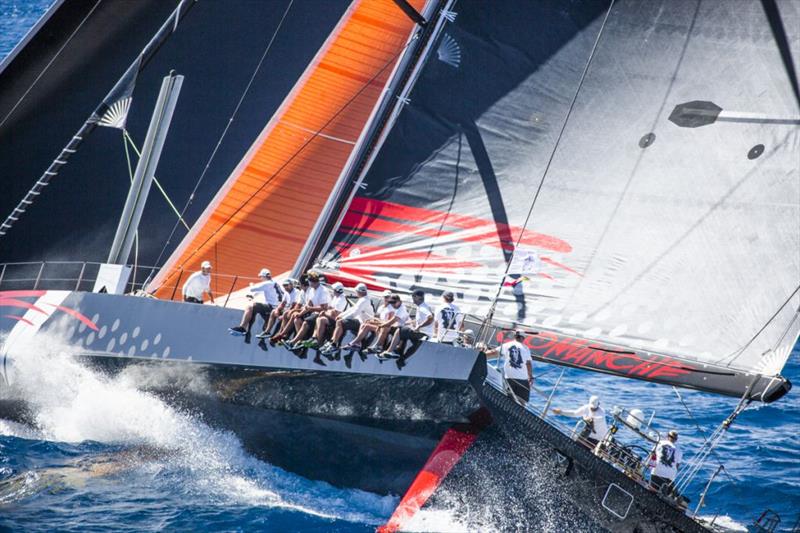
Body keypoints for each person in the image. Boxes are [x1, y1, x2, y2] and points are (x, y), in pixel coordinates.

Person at [320, 283, 373, 361]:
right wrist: (341, 315)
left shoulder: (364, 300)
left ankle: (334, 344)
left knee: (340, 323)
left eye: (357, 291)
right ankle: (332, 342)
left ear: (360, 292)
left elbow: (355, 313)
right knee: (339, 322)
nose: (356, 293)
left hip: (363, 322)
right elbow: (351, 309)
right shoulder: (362, 299)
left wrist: (342, 318)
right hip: (359, 321)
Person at [380, 290, 434, 359]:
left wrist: (419, 326)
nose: (412, 298)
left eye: (413, 296)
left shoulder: (422, 308)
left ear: (417, 297)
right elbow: (422, 319)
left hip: (423, 333)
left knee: (400, 330)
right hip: (425, 333)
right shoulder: (423, 306)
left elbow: (430, 318)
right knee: (405, 329)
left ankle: (389, 351)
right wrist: (409, 323)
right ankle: (398, 350)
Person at [483, 329, 533, 403]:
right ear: (523, 338)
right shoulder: (526, 348)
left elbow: (493, 352)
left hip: (509, 378)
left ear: (515, 336)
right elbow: (528, 363)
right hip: (522, 379)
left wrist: (480, 355)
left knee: (509, 401)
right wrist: (530, 377)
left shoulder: (507, 345)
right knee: (522, 402)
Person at [229, 268, 282, 336]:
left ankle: (242, 328)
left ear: (264, 276)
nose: (260, 278)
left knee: (250, 307)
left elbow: (252, 289)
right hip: (277, 306)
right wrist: (252, 296)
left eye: (260, 277)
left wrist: (251, 284)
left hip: (272, 307)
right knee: (256, 306)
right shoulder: (274, 283)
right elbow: (260, 291)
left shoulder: (267, 283)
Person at [284, 272, 330, 349]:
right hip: (313, 312)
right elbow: (309, 305)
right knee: (297, 319)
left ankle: (293, 342)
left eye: (309, 281)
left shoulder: (323, 291)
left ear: (311, 282)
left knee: (305, 323)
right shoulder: (312, 290)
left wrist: (310, 309)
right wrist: (300, 314)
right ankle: (301, 341)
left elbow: (324, 308)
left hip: (321, 313)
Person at [299, 282, 347, 350]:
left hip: (336, 319)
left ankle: (318, 341)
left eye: (334, 290)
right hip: (331, 316)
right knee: (319, 317)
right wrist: (326, 312)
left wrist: (324, 313)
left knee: (321, 319)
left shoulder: (341, 300)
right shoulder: (336, 297)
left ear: (337, 291)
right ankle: (314, 338)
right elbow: (330, 309)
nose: (333, 291)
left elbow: (335, 314)